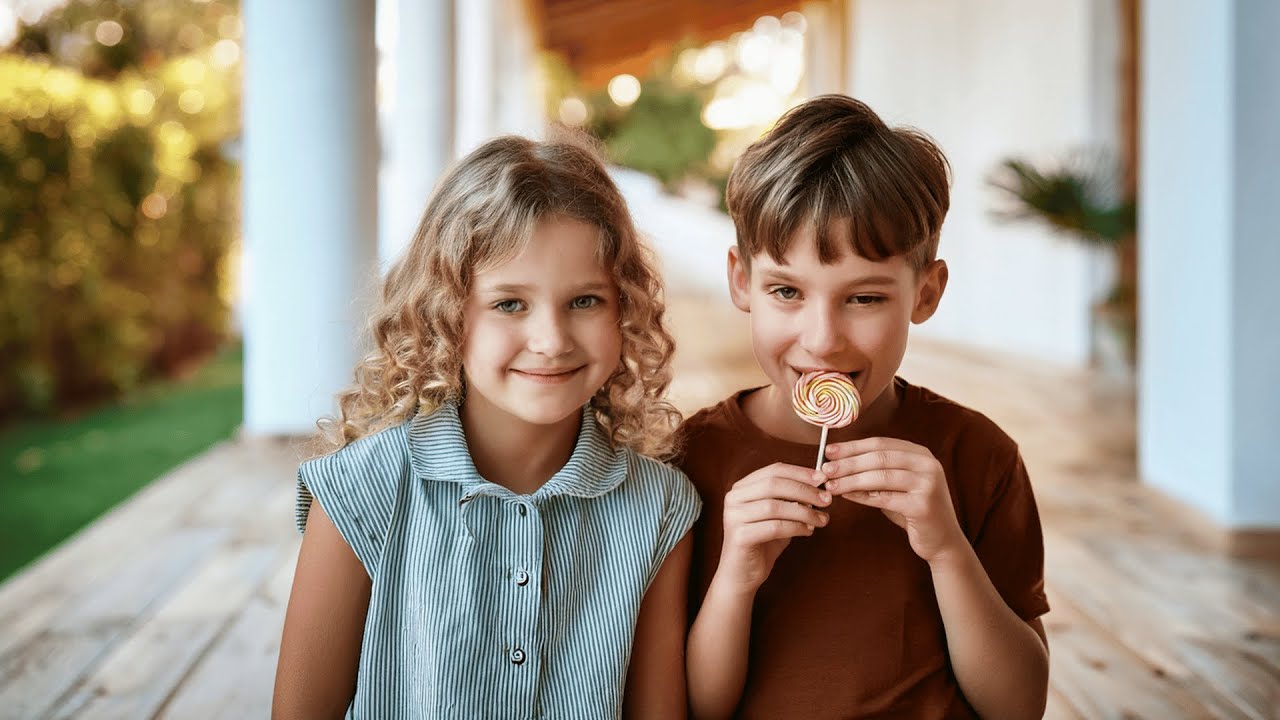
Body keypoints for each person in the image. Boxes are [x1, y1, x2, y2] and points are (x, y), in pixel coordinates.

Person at [273, 131, 701, 719]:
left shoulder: (660, 508)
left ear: (624, 308)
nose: (550, 342)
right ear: (447, 314)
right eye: (509, 304)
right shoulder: (359, 490)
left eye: (585, 301)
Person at [681, 95, 1050, 719]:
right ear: (742, 282)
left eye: (865, 299)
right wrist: (736, 578)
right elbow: (698, 708)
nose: (823, 338)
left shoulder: (980, 457)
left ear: (925, 293)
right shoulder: (688, 462)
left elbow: (1019, 706)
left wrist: (947, 549)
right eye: (786, 291)